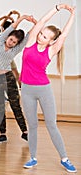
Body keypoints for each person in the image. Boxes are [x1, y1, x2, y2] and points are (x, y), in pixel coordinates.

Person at [20, 4, 77, 173]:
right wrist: (57, 8)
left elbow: (64, 35)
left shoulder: (51, 50)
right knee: (32, 125)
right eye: (41, 34)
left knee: (51, 124)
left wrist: (72, 14)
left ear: (51, 41)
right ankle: (33, 158)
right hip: (27, 90)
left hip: (43, 90)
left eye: (45, 37)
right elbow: (43, 21)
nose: (41, 37)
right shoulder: (30, 42)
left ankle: (64, 158)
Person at [0, 14, 36, 144]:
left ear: (16, 44)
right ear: (7, 37)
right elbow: (12, 27)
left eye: (14, 42)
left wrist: (36, 24)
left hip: (8, 78)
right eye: (10, 39)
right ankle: (2, 134)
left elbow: (27, 37)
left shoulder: (15, 49)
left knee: (16, 105)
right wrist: (22, 18)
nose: (11, 42)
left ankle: (25, 132)